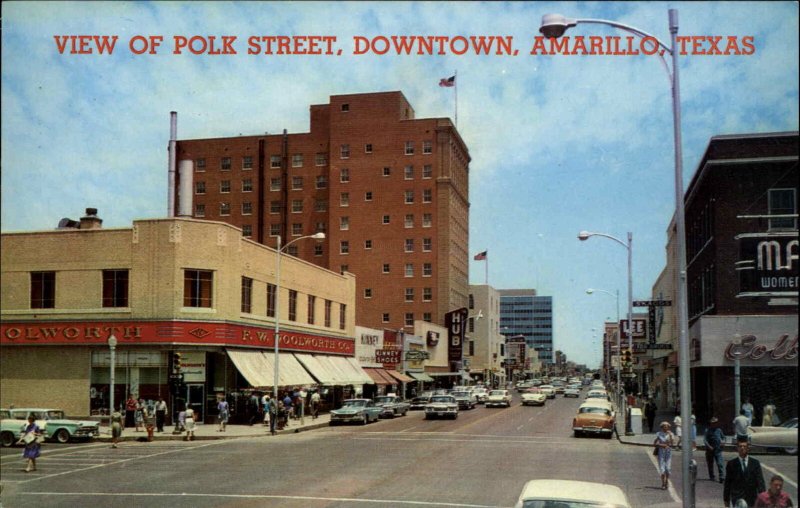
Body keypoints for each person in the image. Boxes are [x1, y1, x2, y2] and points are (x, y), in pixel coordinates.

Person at [724, 441, 766, 508]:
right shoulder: (731, 464)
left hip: (752, 498)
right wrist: (726, 500)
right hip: (737, 499)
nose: (742, 448)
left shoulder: (755, 463)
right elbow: (727, 483)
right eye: (740, 446)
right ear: (737, 448)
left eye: (744, 446)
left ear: (748, 448)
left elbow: (760, 482)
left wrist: (763, 498)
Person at [654, 421, 675, 490]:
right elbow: (655, 443)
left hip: (668, 452)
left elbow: (672, 444)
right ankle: (663, 483)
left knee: (668, 468)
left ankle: (667, 481)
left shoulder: (671, 434)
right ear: (662, 427)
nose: (666, 428)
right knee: (662, 468)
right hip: (661, 452)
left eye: (667, 426)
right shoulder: (659, 434)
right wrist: (661, 445)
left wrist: (671, 436)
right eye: (664, 426)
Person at [704, 416, 725, 483]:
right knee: (710, 464)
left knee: (720, 463)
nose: (715, 424)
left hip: (718, 449)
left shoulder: (719, 430)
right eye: (713, 423)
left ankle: (721, 477)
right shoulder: (707, 430)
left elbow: (723, 437)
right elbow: (705, 440)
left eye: (716, 423)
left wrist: (723, 442)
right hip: (710, 450)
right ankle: (712, 476)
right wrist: (709, 446)